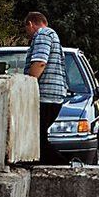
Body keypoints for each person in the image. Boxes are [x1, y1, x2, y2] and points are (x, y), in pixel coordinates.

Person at [22, 12, 69, 165]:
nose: (27, 34)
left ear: (30, 24)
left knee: (37, 138)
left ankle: (64, 166)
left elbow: (40, 62)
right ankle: (47, 165)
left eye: (26, 29)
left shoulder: (42, 35)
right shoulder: (52, 36)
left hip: (45, 95)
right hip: (54, 94)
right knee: (39, 136)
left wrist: (28, 84)